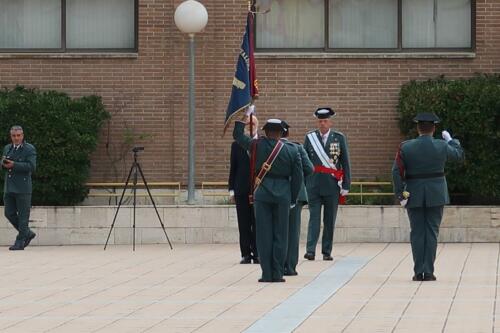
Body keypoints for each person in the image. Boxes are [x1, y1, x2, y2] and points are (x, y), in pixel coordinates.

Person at [392, 112, 464, 282]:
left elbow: (396, 171)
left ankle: (418, 272)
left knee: (417, 233)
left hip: (413, 193)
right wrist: (452, 141)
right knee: (431, 232)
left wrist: (400, 193)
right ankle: (429, 272)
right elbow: (459, 155)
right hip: (436, 194)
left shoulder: (406, 146)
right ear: (434, 128)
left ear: (418, 128)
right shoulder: (441, 145)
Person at [233, 116, 303, 282]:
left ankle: (266, 274)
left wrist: (243, 119)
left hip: (262, 194)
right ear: (281, 133)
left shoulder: (256, 145)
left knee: (263, 235)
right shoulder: (292, 150)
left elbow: (238, 135)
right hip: (283, 195)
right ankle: (278, 273)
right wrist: (292, 198)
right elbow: (298, 177)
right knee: (281, 235)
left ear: (266, 131)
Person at [303, 107, 351, 261]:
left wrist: (346, 186)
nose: (322, 124)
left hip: (332, 185)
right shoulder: (310, 138)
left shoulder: (339, 138)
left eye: (325, 121)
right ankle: (310, 250)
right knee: (314, 219)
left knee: (329, 220)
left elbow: (345, 163)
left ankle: (326, 251)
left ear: (330, 122)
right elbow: (304, 162)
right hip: (314, 184)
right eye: (320, 121)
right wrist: (304, 184)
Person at [281, 121, 314, 276]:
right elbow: (309, 168)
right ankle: (290, 266)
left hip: (277, 193)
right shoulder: (297, 147)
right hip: (297, 194)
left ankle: (279, 264)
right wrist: (297, 179)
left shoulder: (269, 148)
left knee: (278, 230)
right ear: (287, 133)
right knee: (293, 232)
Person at [228, 116, 259, 264]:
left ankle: (258, 253)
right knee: (244, 223)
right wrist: (231, 190)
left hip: (258, 190)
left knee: (258, 222)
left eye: (252, 123)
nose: (250, 125)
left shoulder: (262, 143)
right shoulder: (236, 145)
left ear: (257, 125)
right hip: (241, 189)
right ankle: (246, 253)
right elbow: (233, 169)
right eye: (248, 123)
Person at [2, 125, 37, 251]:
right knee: (8, 213)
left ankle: (20, 240)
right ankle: (27, 233)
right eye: (13, 136)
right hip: (9, 186)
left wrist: (14, 165)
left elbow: (32, 167)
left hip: (23, 187)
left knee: (23, 216)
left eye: (18, 135)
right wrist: (3, 163)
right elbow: (4, 163)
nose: (16, 138)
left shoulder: (29, 149)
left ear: (22, 136)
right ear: (11, 136)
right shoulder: (7, 148)